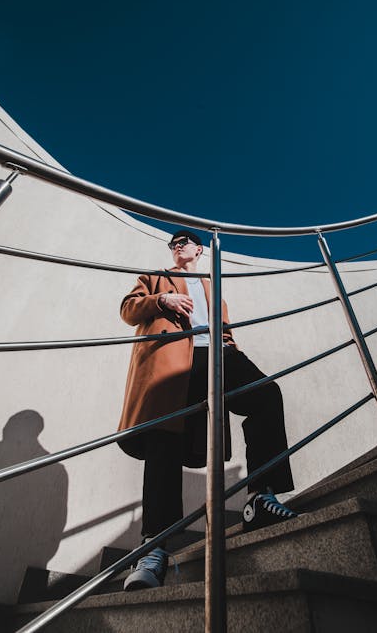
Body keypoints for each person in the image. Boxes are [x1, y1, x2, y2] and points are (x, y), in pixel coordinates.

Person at [118, 229, 297, 591]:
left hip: (216, 354)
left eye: (184, 241)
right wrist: (163, 301)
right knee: (165, 443)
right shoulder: (155, 278)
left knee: (265, 395)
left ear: (200, 249)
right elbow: (128, 309)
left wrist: (229, 345)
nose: (178, 246)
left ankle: (261, 496)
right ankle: (153, 549)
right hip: (173, 359)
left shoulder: (213, 285)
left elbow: (225, 328)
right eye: (173, 243)